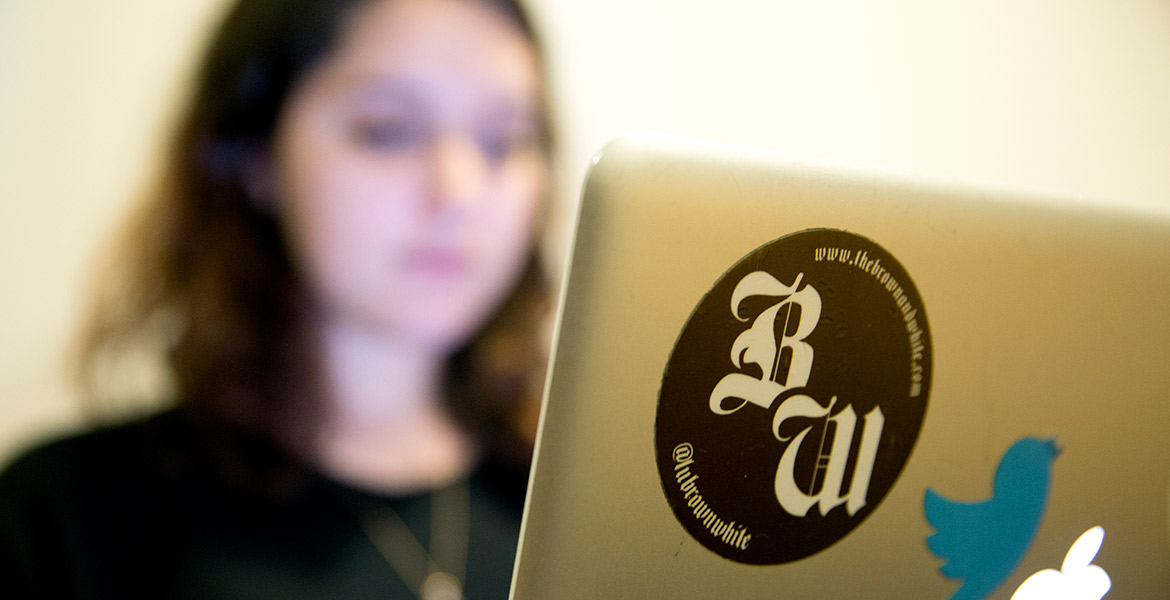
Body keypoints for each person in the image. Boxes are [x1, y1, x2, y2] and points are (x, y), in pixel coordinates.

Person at [0, 0, 554, 597]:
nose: (461, 191)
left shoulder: (585, 503)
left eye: (504, 141)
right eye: (388, 131)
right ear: (257, 157)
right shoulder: (66, 514)